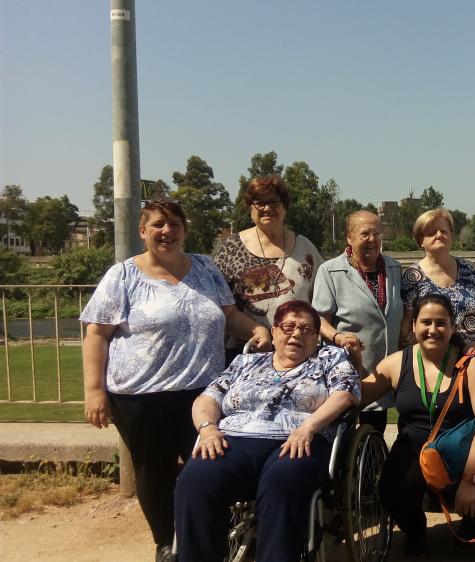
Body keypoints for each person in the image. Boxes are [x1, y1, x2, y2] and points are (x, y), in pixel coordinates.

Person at [81, 199, 270, 562]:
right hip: (140, 397)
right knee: (155, 473)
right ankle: (166, 543)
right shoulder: (123, 276)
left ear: (185, 231)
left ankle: (211, 541)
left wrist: (256, 329)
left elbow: (230, 315)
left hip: (203, 393)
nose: (166, 232)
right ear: (143, 231)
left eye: (174, 225)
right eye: (157, 225)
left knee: (212, 465)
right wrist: (94, 391)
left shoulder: (205, 268)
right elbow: (96, 334)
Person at [174, 300, 359, 561]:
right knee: (196, 479)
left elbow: (345, 393)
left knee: (283, 482)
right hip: (234, 439)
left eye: (306, 329)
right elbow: (208, 397)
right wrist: (207, 429)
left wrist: (308, 427)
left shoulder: (330, 358)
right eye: (288, 327)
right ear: (273, 331)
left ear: (316, 336)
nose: (296, 334)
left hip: (299, 439)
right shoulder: (245, 362)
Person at [363, 294, 475, 556]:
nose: (433, 330)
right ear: (413, 325)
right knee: (391, 488)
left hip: (463, 451)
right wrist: (354, 363)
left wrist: (471, 480)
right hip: (414, 450)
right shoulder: (396, 363)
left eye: (441, 323)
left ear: (452, 326)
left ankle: (467, 535)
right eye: (426, 322)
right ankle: (415, 531)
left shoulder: (472, 362)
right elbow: (359, 395)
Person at [214, 174, 322, 364]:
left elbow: (321, 301)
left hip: (298, 356)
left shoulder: (305, 248)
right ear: (250, 208)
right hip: (245, 355)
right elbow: (218, 306)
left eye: (274, 202)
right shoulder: (231, 248)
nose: (267, 208)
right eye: (259, 203)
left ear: (285, 206)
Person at [312, 210, 403, 434]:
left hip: (384, 374)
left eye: (377, 233)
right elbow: (319, 318)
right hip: (348, 369)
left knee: (375, 434)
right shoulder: (330, 271)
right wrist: (337, 337)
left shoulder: (394, 268)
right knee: (343, 436)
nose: (372, 239)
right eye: (365, 234)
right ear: (349, 237)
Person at [400, 207, 475, 347]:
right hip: (434, 355)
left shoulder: (469, 269)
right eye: (432, 232)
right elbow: (407, 320)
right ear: (420, 240)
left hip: (473, 354)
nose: (439, 235)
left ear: (451, 236)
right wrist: (406, 343)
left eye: (443, 231)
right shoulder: (412, 276)